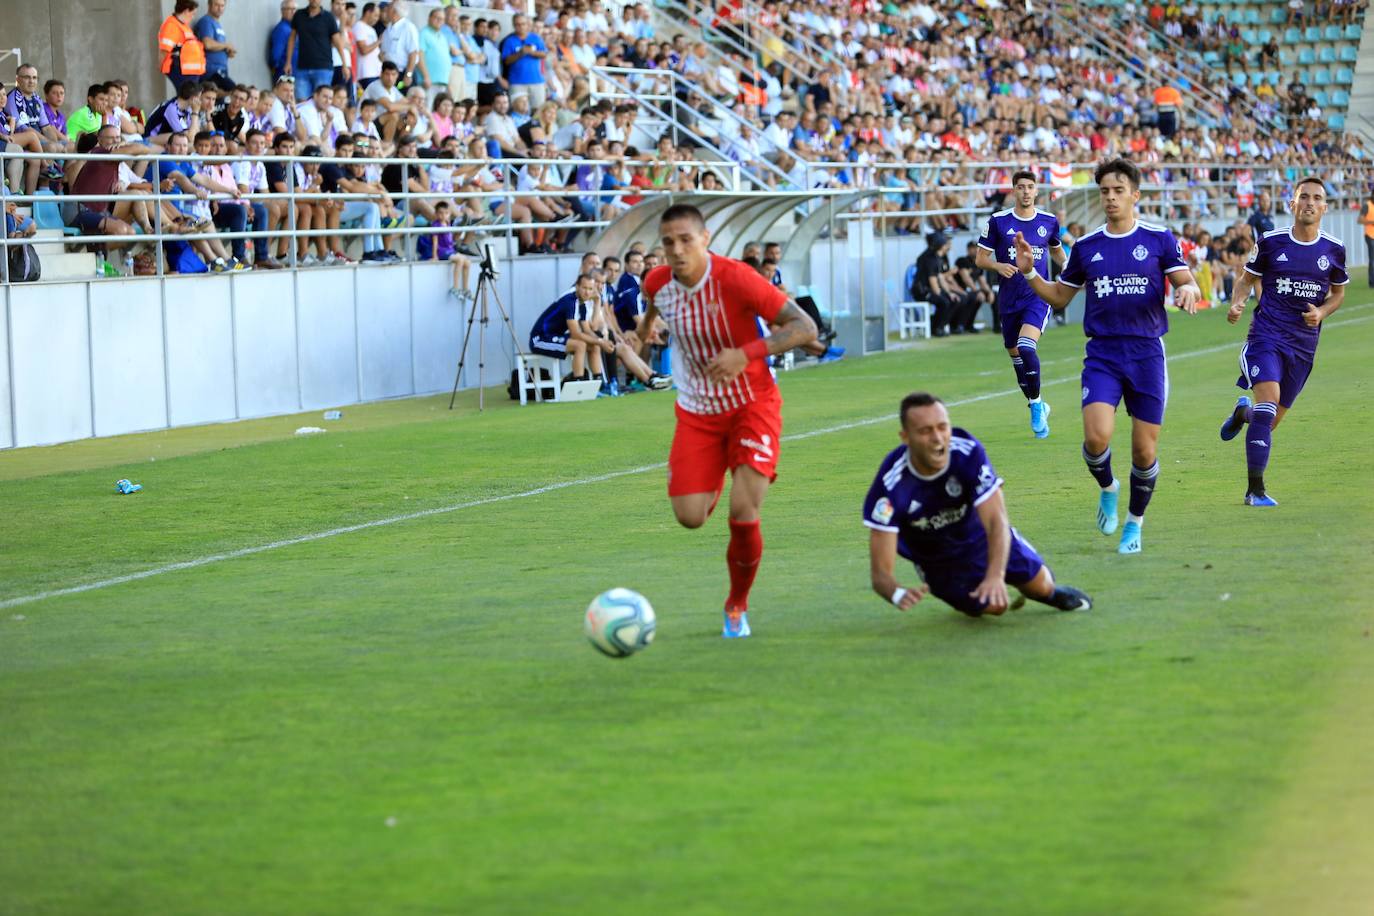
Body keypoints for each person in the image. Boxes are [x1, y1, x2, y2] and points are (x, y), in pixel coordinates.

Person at [638, 204, 818, 638]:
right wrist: (644, 330)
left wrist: (747, 352)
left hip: (752, 404)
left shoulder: (736, 278)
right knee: (690, 517)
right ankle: (714, 474)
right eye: (668, 242)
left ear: (706, 238)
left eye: (686, 240)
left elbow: (805, 325)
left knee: (743, 509)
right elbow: (653, 304)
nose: (677, 250)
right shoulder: (657, 282)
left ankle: (736, 605)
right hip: (698, 413)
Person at [1014, 158, 1202, 555]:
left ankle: (1135, 522)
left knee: (1143, 450)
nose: (1111, 198)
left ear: (1135, 194)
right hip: (1102, 353)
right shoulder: (1087, 247)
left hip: (1147, 353)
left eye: (1119, 191)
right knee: (1096, 437)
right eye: (1105, 191)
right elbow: (1061, 297)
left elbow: (1186, 280)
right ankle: (1108, 488)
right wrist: (1031, 273)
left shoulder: (1159, 238)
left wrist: (1188, 290)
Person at [865, 392, 1093, 618]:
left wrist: (995, 575)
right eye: (925, 431)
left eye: (943, 427)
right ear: (905, 437)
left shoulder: (967, 452)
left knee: (1042, 586)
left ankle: (1045, 592)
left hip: (980, 535)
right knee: (995, 607)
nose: (937, 437)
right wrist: (896, 594)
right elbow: (880, 574)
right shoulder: (890, 488)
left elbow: (996, 522)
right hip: (939, 560)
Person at [1217, 178, 1348, 506]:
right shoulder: (1271, 242)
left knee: (1268, 421)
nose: (1309, 202)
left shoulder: (1334, 250)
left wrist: (1322, 312)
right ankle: (1255, 491)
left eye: (1317, 198)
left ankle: (1241, 414)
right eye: (1304, 196)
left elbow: (1338, 294)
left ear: (1324, 207)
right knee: (1269, 399)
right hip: (1267, 336)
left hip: (1304, 346)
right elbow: (1247, 279)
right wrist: (1236, 303)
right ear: (1292, 203)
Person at [975, 169, 1066, 439]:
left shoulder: (1049, 221)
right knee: (1016, 356)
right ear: (1013, 191)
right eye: (1021, 187)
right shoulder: (998, 222)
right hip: (1009, 299)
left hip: (1038, 295)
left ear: (1036, 191)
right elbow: (980, 259)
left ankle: (1036, 405)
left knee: (1027, 347)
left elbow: (1057, 250)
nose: (1026, 191)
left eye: (1030, 187)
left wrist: (1073, 269)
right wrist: (997, 264)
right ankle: (1036, 403)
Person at [912, 231, 979, 337]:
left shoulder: (936, 257)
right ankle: (936, 328)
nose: (948, 245)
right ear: (940, 245)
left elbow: (940, 278)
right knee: (945, 302)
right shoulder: (929, 258)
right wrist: (943, 294)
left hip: (928, 289)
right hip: (921, 291)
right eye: (945, 243)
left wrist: (949, 293)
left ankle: (940, 325)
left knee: (952, 299)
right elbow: (933, 281)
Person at [284, 0, 348, 102]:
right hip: (302, 67)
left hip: (323, 68)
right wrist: (288, 62)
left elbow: (337, 42)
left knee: (321, 103)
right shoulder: (299, 15)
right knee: (302, 103)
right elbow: (292, 38)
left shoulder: (328, 17)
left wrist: (344, 65)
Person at [158, 0, 207, 91]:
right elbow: (164, 50)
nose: (193, 17)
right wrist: (162, 66)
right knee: (185, 99)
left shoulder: (183, 26)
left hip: (189, 73)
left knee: (189, 99)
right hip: (180, 70)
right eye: (193, 13)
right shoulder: (172, 25)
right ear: (186, 11)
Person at [194, 0, 237, 92]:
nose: (219, 8)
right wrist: (226, 45)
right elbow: (208, 44)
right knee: (236, 92)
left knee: (221, 101)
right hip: (211, 71)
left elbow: (218, 46)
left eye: (222, 5)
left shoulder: (217, 24)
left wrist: (227, 52)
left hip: (221, 70)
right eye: (216, 5)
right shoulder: (206, 21)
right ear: (209, 5)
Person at [1359, 188, 1374, 288]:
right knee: (1372, 259)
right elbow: (1360, 220)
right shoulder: (1367, 205)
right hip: (1369, 235)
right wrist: (1371, 222)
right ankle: (1371, 282)